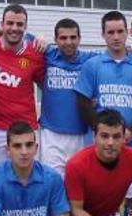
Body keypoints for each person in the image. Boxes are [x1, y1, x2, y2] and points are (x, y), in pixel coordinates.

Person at [0, 4, 46, 169]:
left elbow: (44, 85)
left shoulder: (35, 52)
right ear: (1, 24)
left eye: (19, 24)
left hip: (26, 128)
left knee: (28, 178)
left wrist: (41, 38)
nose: (14, 28)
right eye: (9, 23)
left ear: (26, 27)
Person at [75, 11, 132, 151]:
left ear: (128, 32)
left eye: (120, 31)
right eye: (111, 32)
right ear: (103, 35)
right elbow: (82, 104)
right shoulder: (92, 65)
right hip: (101, 144)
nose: (116, 37)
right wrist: (104, 132)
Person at [38, 18, 99, 175]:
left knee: (77, 183)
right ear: (55, 40)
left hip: (81, 135)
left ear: (79, 39)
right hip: (51, 134)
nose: (68, 42)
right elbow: (16, 35)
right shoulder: (48, 55)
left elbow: (120, 52)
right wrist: (39, 38)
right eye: (63, 38)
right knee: (53, 182)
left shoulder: (91, 59)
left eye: (73, 37)